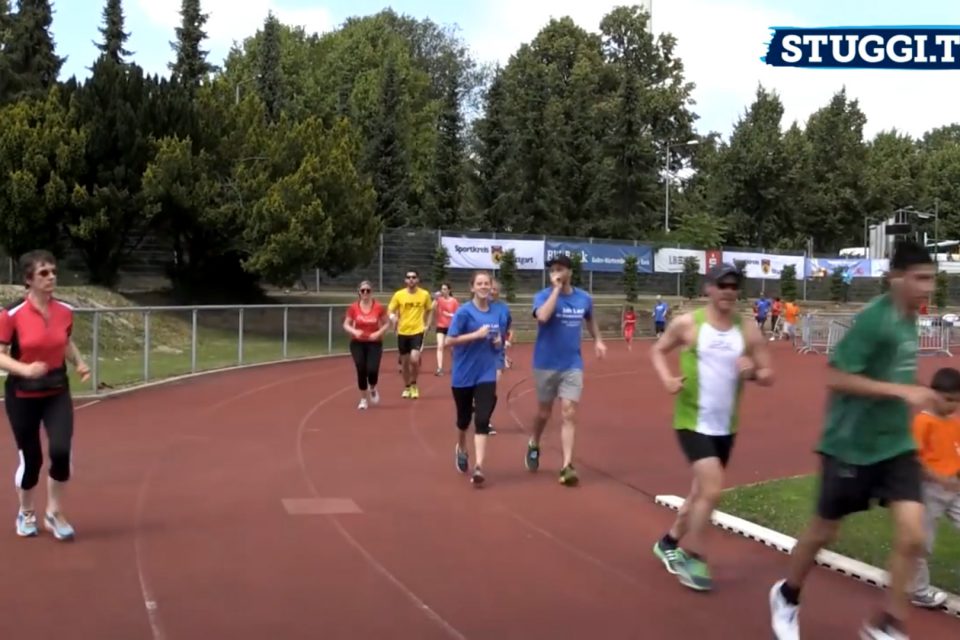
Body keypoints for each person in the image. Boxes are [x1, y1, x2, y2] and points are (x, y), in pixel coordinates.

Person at [769, 240, 941, 640]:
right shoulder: (873, 320)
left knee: (913, 535)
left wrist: (923, 392)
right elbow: (836, 376)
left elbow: (897, 376)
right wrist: (901, 392)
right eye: (920, 279)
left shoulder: (910, 318)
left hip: (896, 445)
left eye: (932, 279)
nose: (928, 288)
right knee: (823, 532)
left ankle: (887, 625)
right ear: (896, 278)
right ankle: (787, 596)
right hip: (850, 446)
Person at [650, 263, 774, 592]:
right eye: (723, 285)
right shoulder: (688, 324)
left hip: (725, 426)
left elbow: (769, 374)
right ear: (709, 288)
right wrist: (667, 379)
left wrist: (752, 372)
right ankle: (695, 558)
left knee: (699, 494)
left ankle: (668, 542)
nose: (729, 291)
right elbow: (658, 350)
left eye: (734, 286)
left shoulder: (747, 330)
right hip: (691, 421)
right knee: (712, 490)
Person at [0, 250, 90, 541]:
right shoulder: (11, 314)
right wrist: (25, 370)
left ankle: (54, 512)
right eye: (43, 273)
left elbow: (65, 342)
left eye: (53, 272)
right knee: (32, 460)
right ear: (29, 279)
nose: (51, 277)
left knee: (61, 452)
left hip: (56, 390)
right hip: (22, 395)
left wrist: (79, 362)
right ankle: (26, 511)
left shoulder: (64, 310)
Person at [524, 254, 606, 486]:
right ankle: (534, 441)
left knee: (569, 412)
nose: (556, 273)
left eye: (560, 269)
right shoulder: (543, 296)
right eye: (552, 270)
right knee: (544, 413)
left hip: (572, 364)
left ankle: (567, 465)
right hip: (545, 363)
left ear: (570, 271)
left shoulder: (584, 298)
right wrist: (556, 291)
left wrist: (598, 340)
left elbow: (590, 319)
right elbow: (542, 317)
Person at [445, 271, 503, 486]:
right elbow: (449, 341)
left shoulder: (496, 312)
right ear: (472, 287)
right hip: (463, 374)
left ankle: (479, 466)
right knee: (463, 420)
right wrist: (475, 335)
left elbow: (498, 340)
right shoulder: (464, 312)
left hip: (486, 373)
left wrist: (498, 342)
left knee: (482, 419)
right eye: (479, 284)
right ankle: (461, 447)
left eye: (487, 283)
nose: (484, 287)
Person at [908, 366, 960, 609]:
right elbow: (915, 459)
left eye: (957, 401)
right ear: (933, 394)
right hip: (930, 492)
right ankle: (919, 590)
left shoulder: (954, 422)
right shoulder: (923, 422)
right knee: (923, 543)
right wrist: (938, 478)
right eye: (948, 399)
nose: (952, 406)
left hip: (955, 489)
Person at [388, 270, 433, 400]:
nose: (411, 279)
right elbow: (390, 309)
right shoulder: (399, 295)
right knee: (405, 363)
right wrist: (393, 318)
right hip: (403, 331)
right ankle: (407, 387)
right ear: (405, 280)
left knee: (414, 359)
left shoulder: (424, 294)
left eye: (414, 277)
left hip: (417, 331)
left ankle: (414, 384)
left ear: (417, 280)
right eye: (408, 277)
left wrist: (427, 324)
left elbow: (430, 310)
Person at [343, 280, 388, 410]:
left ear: (371, 292)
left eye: (368, 290)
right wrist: (354, 331)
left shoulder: (378, 307)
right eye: (363, 290)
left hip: (374, 343)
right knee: (361, 368)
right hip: (358, 343)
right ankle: (363, 399)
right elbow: (346, 324)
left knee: (372, 369)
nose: (365, 293)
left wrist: (378, 333)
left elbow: (387, 323)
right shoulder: (353, 307)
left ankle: (372, 387)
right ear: (359, 292)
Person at [487, 278, 513, 436]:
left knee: (492, 386)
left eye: (494, 289)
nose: (491, 291)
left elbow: (508, 326)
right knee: (478, 387)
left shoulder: (503, 308)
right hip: (479, 352)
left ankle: (485, 420)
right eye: (489, 288)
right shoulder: (478, 307)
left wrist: (506, 341)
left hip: (497, 353)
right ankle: (475, 405)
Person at [433, 283, 459, 376]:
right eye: (442, 289)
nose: (443, 291)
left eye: (444, 289)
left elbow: (458, 315)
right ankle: (439, 368)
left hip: (451, 327)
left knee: (452, 349)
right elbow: (431, 308)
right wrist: (435, 299)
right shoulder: (439, 300)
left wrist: (450, 315)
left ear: (449, 290)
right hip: (440, 326)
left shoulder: (454, 301)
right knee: (440, 346)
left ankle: (455, 366)